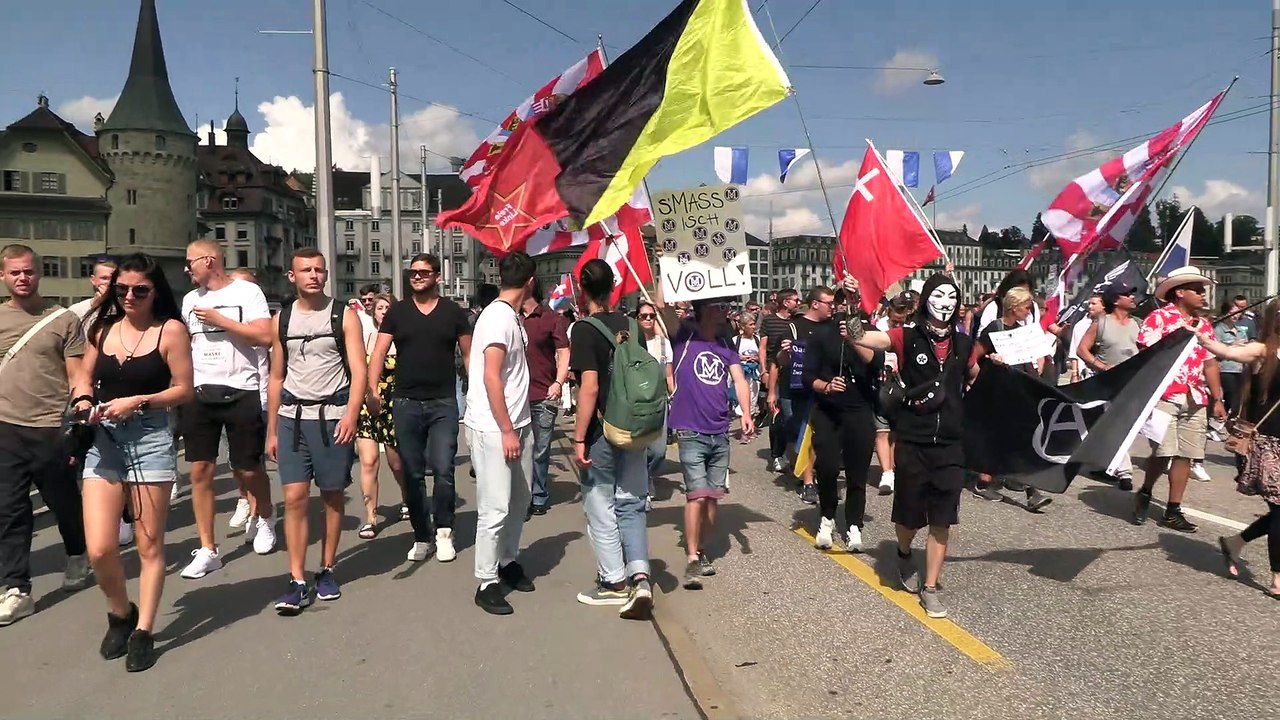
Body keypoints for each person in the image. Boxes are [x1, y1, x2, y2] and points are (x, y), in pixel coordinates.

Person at [73, 252, 193, 671]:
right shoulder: (102, 329)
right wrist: (84, 400)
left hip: (149, 437)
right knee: (100, 547)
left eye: (139, 290)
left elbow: (184, 389)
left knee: (149, 543)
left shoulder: (170, 331)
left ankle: (144, 629)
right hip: (104, 440)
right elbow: (84, 377)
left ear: (155, 291)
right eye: (120, 289)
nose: (128, 296)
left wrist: (139, 400)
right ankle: (119, 612)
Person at [847, 272, 975, 619]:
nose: (945, 303)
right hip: (913, 439)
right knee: (909, 518)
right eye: (938, 295)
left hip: (950, 444)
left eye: (952, 297)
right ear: (925, 301)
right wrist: (854, 304)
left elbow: (975, 377)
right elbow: (861, 337)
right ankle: (903, 551)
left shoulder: (964, 344)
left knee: (942, 520)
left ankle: (930, 587)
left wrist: (996, 371)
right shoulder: (905, 337)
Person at [266, 248, 366, 614]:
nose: (313, 275)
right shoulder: (282, 320)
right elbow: (276, 377)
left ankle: (326, 568)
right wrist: (272, 430)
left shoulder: (345, 315)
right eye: (305, 270)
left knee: (331, 495)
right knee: (293, 498)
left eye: (319, 270)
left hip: (332, 417)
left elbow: (359, 370)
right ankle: (296, 579)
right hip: (293, 419)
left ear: (326, 275)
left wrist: (351, 416)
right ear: (291, 276)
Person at [0, 245, 93, 627]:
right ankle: (15, 587)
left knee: (63, 502)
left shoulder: (63, 320)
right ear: (3, 277)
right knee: (9, 509)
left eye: (28, 272)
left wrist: (80, 414)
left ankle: (77, 553)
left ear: (39, 274)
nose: (22, 278)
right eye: (14, 273)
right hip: (5, 426)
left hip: (50, 426)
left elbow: (76, 375)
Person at [179, 241, 276, 581]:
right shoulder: (190, 300)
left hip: (242, 389)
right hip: (201, 391)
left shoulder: (247, 293)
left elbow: (265, 336)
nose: (186, 268)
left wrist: (221, 319)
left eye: (190, 262)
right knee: (200, 471)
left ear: (209, 260)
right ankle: (208, 549)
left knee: (247, 468)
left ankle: (264, 513)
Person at [370, 254, 472, 563]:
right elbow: (378, 353)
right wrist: (371, 391)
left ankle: (444, 530)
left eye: (424, 273)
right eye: (413, 273)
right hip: (405, 402)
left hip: (443, 402)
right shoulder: (398, 312)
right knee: (411, 473)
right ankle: (421, 535)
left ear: (437, 277)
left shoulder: (453, 312)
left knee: (443, 468)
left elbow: (469, 356)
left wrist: (476, 393)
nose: (417, 277)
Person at [570, 258, 653, 619]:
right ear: (614, 287)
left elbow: (589, 388)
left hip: (603, 431)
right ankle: (641, 575)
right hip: (635, 427)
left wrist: (577, 438)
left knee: (600, 504)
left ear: (581, 288)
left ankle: (613, 582)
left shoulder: (584, 330)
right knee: (632, 501)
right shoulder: (634, 326)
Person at [660, 297, 754, 590]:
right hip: (690, 430)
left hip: (719, 431)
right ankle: (691, 556)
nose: (724, 311)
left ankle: (700, 549)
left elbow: (739, 380)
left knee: (712, 501)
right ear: (702, 311)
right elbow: (663, 308)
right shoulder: (684, 336)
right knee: (697, 496)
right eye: (717, 307)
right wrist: (664, 258)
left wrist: (746, 413)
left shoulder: (727, 346)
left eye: (725, 307)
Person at [465, 252, 539, 615]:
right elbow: (490, 375)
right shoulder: (497, 318)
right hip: (496, 428)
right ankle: (486, 580)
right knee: (494, 507)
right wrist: (507, 429)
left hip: (518, 423)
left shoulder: (510, 315)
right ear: (530, 282)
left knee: (520, 500)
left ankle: (507, 560)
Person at [1197, 299, 1280, 596]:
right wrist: (1205, 339)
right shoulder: (1263, 351)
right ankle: (1277, 578)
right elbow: (1229, 352)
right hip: (1266, 444)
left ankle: (1235, 542)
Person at [1133, 267, 1225, 532]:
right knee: (1164, 453)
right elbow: (1147, 354)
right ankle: (1146, 491)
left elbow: (1210, 363)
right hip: (1163, 395)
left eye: (1202, 290)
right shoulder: (1158, 319)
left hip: (1195, 397)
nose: (1202, 295)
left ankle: (1173, 510)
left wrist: (1217, 398)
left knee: (1187, 455)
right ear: (1179, 292)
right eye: (1197, 290)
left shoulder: (1204, 324)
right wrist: (1180, 335)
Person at [803, 291, 882, 553]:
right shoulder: (821, 335)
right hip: (827, 411)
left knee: (857, 473)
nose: (848, 306)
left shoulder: (869, 333)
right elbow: (807, 376)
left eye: (855, 301)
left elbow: (874, 362)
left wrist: (854, 337)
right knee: (826, 467)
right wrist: (826, 386)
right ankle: (826, 517)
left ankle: (853, 525)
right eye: (844, 301)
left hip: (859, 411)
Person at [969, 287, 1054, 511]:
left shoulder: (1022, 332)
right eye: (1027, 307)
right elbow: (973, 356)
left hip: (1015, 389)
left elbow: (1028, 363)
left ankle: (1024, 487)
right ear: (1014, 307)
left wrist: (1037, 383)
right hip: (996, 390)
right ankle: (990, 483)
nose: (1029, 311)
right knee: (1001, 438)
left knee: (1016, 438)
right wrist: (981, 373)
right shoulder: (994, 328)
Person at [773, 287, 837, 505]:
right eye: (829, 303)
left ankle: (820, 476)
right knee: (803, 436)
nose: (833, 307)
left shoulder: (834, 327)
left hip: (826, 388)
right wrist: (785, 352)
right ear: (815, 304)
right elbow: (780, 361)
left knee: (825, 437)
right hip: (798, 391)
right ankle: (808, 481)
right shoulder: (794, 327)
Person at [1076, 283, 1141, 488]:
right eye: (1127, 294)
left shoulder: (1138, 323)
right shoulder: (1101, 322)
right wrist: (1102, 366)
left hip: (1132, 383)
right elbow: (1082, 350)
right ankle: (1124, 472)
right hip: (1108, 383)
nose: (1132, 297)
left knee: (1126, 425)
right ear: (1115, 300)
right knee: (1116, 424)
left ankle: (1106, 462)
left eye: (1132, 294)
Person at [355, 294, 406, 538]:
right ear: (372, 312)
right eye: (380, 308)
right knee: (369, 461)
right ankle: (371, 518)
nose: (384, 311)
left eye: (388, 307)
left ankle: (408, 500)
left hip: (395, 405)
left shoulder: (403, 339)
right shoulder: (363, 338)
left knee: (396, 463)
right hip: (368, 404)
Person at [523, 281, 570, 518]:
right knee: (520, 451)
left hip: (543, 394)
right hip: (515, 397)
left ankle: (538, 494)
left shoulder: (551, 318)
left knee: (540, 450)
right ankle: (522, 495)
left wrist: (558, 382)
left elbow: (563, 351)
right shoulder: (508, 316)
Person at [872, 292, 914, 496]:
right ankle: (886, 473)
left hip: (904, 384)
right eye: (895, 316)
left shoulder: (911, 330)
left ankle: (893, 468)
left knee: (896, 430)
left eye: (901, 317)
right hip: (881, 381)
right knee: (882, 430)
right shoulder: (879, 326)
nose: (897, 321)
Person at [636, 301, 676, 488]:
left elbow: (669, 375)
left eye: (651, 316)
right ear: (637, 319)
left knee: (659, 450)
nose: (648, 319)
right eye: (644, 316)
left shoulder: (664, 344)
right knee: (638, 448)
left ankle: (647, 473)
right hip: (636, 403)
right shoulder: (630, 344)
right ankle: (642, 481)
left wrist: (675, 396)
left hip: (659, 402)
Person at [760, 289, 799, 473]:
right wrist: (763, 371)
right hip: (773, 368)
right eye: (794, 300)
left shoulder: (797, 321)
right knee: (776, 415)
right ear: (785, 302)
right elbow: (763, 347)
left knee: (789, 416)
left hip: (793, 373)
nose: (797, 303)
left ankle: (790, 452)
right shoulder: (769, 320)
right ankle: (776, 454)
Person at [1068, 294, 1105, 383]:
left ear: (1103, 306)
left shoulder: (1110, 324)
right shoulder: (1081, 326)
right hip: (1086, 373)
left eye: (1094, 304)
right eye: (1089, 303)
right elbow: (1074, 352)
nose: (1090, 306)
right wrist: (1074, 375)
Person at [732, 313, 762, 423]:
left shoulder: (757, 339)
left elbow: (763, 356)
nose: (753, 327)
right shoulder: (736, 340)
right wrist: (742, 357)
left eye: (754, 324)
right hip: (741, 374)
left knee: (753, 400)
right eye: (751, 324)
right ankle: (744, 430)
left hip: (755, 375)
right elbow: (730, 357)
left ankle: (751, 425)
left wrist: (756, 358)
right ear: (743, 326)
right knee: (742, 400)